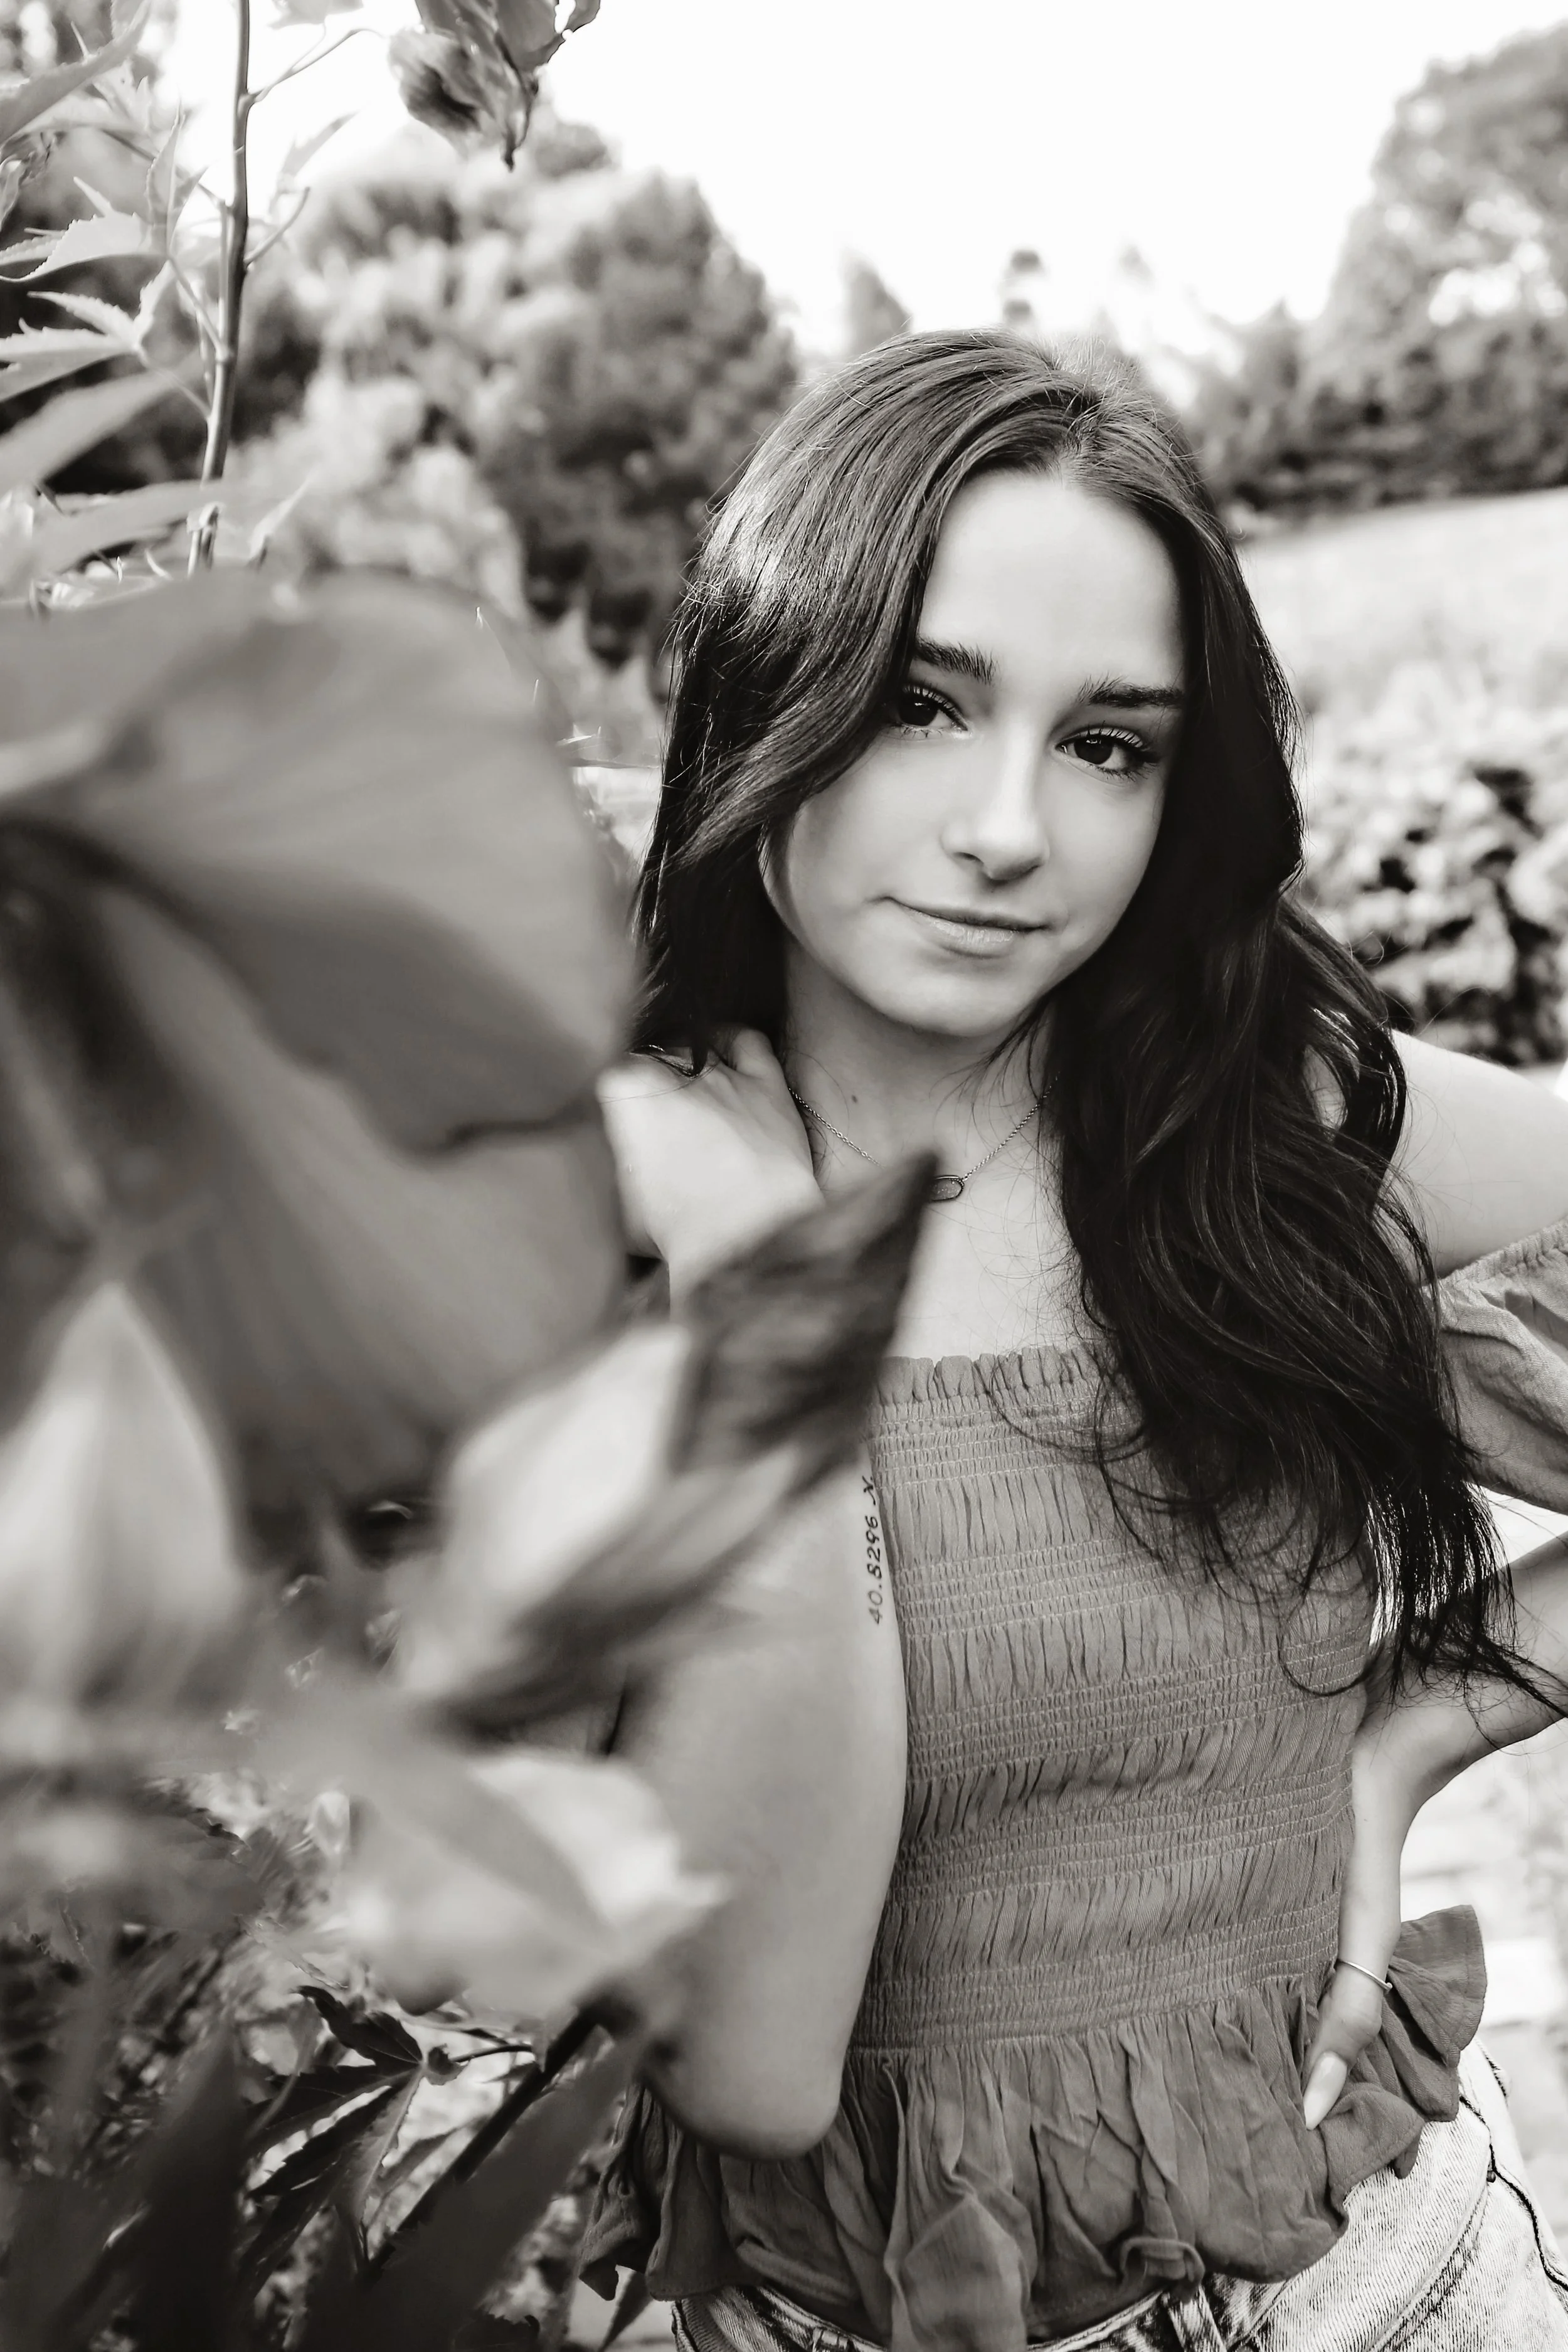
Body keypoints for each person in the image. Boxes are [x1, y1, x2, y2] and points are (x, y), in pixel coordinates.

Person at [583, 332, 1568, 2351]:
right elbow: (759, 2057)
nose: (1008, 827)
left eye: (1108, 743)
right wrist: (760, 1252)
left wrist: (1411, 1729)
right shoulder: (584, 1207)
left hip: (1391, 2283)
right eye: (921, 706)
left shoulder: (1270, 1114)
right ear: (774, 683)